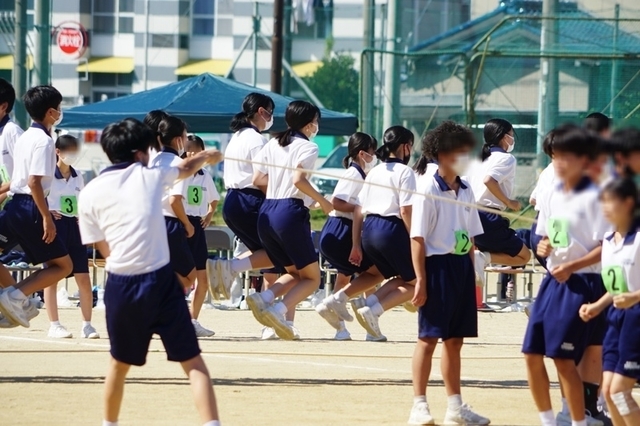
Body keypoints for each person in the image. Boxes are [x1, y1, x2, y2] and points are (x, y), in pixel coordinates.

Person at [78, 118, 222, 426]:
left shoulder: (89, 192)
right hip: (159, 280)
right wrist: (209, 156)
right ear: (143, 153)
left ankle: (109, 424)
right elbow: (186, 168)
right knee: (193, 363)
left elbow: (103, 248)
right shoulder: (150, 177)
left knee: (118, 365)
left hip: (119, 283)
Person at [522, 126, 609, 426]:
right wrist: (543, 246)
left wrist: (572, 266)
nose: (558, 163)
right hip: (553, 282)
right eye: (554, 156)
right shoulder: (549, 191)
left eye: (565, 156)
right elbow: (543, 236)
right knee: (532, 354)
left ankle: (578, 420)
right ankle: (549, 421)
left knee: (564, 357)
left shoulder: (597, 194)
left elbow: (606, 247)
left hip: (584, 281)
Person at [408, 120, 490, 426]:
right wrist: (421, 280)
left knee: (455, 340)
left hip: (460, 267)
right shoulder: (428, 187)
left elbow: (470, 237)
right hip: (436, 266)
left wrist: (473, 273)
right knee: (428, 338)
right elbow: (417, 237)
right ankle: (419, 406)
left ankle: (455, 407)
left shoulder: (467, 189)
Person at [246, 100, 332, 340]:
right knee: (313, 279)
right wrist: (322, 202)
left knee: (294, 272)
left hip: (267, 211)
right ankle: (277, 309)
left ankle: (263, 297)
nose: (316, 126)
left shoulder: (273, 142)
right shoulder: (308, 147)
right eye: (315, 121)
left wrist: (283, 189)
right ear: (308, 124)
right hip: (289, 212)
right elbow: (298, 180)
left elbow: (258, 178)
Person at [0, 85, 72, 327]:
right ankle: (16, 296)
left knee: (53, 264)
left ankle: (13, 299)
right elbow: (34, 182)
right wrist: (46, 217)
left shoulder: (25, 136)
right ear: (51, 112)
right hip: (30, 206)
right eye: (59, 108)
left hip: (14, 207)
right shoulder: (43, 141)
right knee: (63, 265)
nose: (60, 112)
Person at [580, 178, 640, 426]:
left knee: (619, 392)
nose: (603, 208)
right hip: (615, 318)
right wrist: (597, 306)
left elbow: (630, 290)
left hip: (636, 318)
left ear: (628, 204)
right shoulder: (607, 240)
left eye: (609, 202)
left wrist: (634, 297)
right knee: (607, 394)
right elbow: (616, 286)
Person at [349, 125, 417, 340]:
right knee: (421, 282)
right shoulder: (406, 172)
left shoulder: (373, 171)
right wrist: (415, 237)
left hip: (369, 230)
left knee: (402, 278)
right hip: (391, 230)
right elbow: (406, 210)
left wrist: (357, 243)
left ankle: (368, 304)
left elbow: (359, 208)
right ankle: (374, 309)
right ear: (406, 147)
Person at [315, 132, 384, 341]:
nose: (375, 157)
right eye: (373, 152)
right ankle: (370, 327)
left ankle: (341, 329)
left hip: (337, 229)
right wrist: (364, 208)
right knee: (372, 274)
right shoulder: (354, 174)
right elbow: (337, 202)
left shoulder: (359, 174)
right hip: (342, 229)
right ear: (363, 154)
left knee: (345, 277)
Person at [211, 93, 279, 301]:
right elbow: (261, 178)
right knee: (278, 252)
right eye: (271, 112)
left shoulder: (237, 137)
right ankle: (229, 267)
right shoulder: (257, 139)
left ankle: (231, 269)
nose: (271, 118)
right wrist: (276, 201)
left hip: (232, 201)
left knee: (267, 254)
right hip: (250, 200)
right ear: (261, 111)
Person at [43, 134, 99, 339]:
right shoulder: (48, 173)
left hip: (74, 227)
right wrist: (47, 213)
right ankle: (54, 324)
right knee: (52, 275)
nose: (72, 155)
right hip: (54, 227)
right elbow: (37, 196)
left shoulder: (78, 176)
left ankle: (87, 325)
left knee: (83, 277)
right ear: (57, 152)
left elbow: (81, 201)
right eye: (68, 151)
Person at [469, 118, 531, 285]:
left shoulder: (478, 159)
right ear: (504, 137)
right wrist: (510, 202)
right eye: (511, 134)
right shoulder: (506, 158)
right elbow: (489, 180)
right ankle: (482, 258)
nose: (513, 138)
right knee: (524, 256)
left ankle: (480, 260)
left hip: (467, 215)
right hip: (488, 217)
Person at [149, 115, 197, 290]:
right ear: (178, 140)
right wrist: (187, 224)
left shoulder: (153, 161)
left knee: (162, 267)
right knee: (189, 276)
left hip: (149, 220)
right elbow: (174, 200)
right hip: (168, 223)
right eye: (185, 137)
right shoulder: (179, 163)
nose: (186, 141)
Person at [184, 134, 220, 338]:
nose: (190, 153)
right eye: (187, 149)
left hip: (196, 226)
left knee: (201, 279)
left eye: (194, 149)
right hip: (181, 224)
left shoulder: (205, 175)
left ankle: (193, 320)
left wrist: (209, 214)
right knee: (181, 277)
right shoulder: (180, 172)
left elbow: (214, 199)